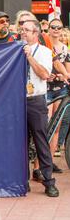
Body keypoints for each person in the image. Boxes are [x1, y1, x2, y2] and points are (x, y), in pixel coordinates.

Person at [21, 20, 59, 197]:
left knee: (40, 141)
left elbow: (44, 74)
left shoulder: (44, 52)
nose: (23, 33)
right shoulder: (15, 51)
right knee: (20, 142)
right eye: (22, 29)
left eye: (27, 30)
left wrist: (29, 57)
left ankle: (49, 181)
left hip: (36, 101)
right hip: (18, 101)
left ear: (36, 33)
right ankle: (23, 180)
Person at [46, 19, 69, 173]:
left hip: (60, 89)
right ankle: (41, 161)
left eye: (59, 28)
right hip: (45, 88)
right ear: (48, 29)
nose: (56, 30)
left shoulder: (65, 49)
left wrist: (63, 76)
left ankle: (51, 161)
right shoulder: (44, 45)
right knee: (46, 125)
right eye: (53, 27)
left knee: (57, 127)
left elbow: (68, 71)